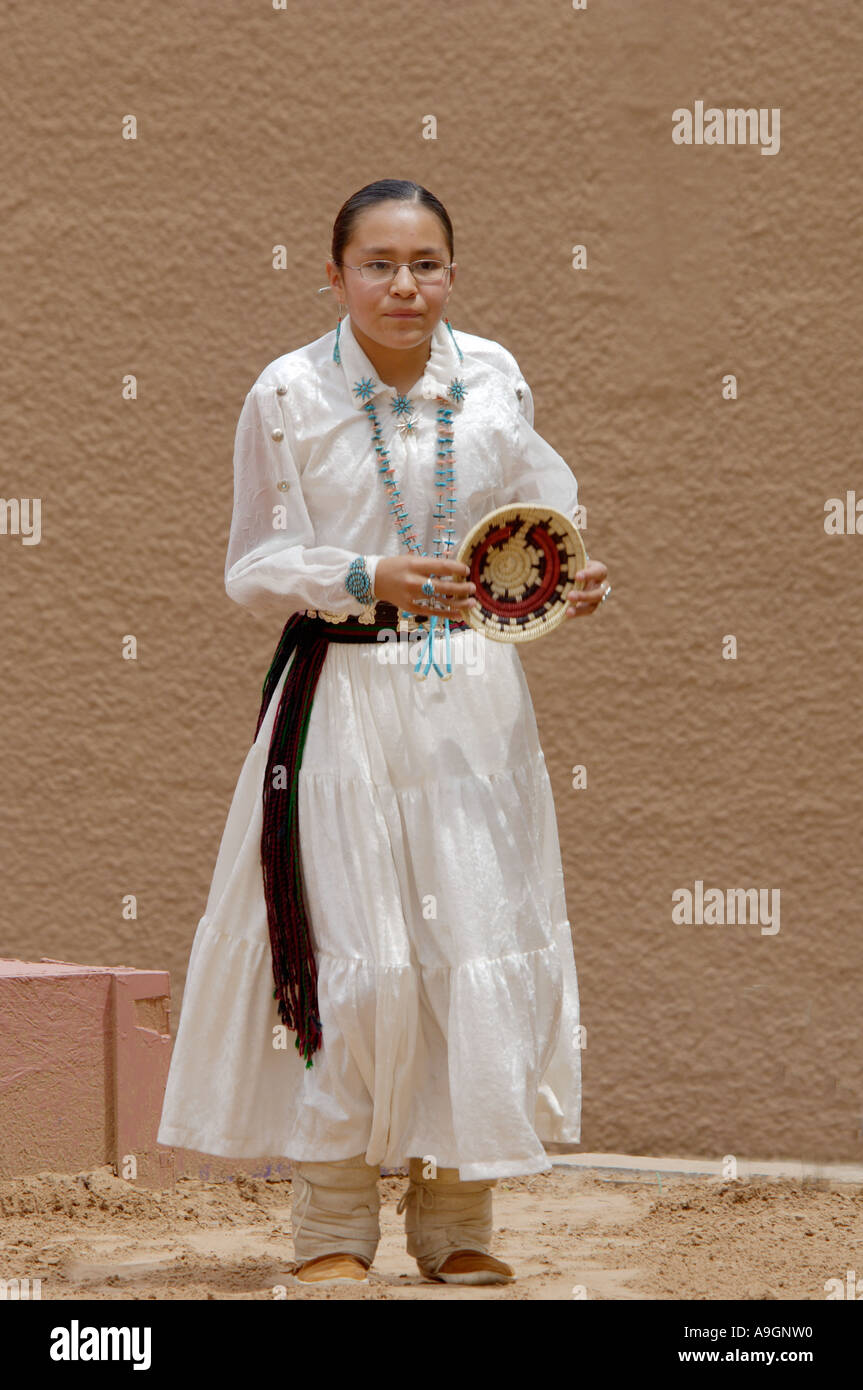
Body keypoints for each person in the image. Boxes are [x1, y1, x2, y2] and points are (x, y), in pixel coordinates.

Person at [156, 178, 611, 1288]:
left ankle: (458, 1220)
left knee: (470, 936)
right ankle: (330, 1230)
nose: (404, 286)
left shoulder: (492, 373)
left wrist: (569, 574)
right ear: (334, 274)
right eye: (378, 264)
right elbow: (252, 564)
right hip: (343, 698)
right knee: (355, 958)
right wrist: (365, 573)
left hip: (471, 699)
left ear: (451, 270)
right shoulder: (286, 392)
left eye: (426, 264)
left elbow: (544, 506)